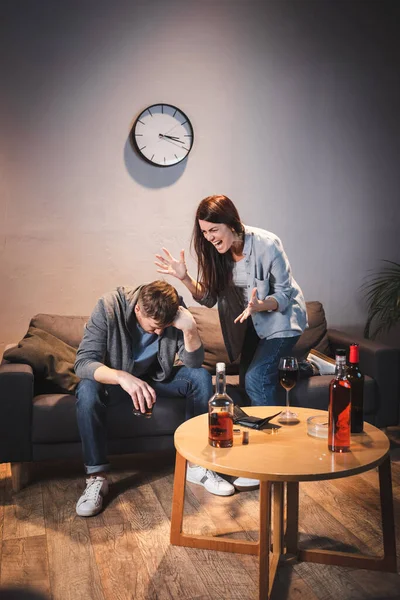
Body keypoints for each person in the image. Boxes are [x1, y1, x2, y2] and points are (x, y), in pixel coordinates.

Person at [155, 195, 307, 490]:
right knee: (254, 383)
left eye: (214, 230)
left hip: (282, 320)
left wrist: (260, 307)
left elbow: (286, 294)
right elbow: (209, 297)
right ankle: (302, 368)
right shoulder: (217, 255)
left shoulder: (266, 243)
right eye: (204, 233)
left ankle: (271, 464)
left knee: (257, 380)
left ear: (231, 223)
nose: (209, 238)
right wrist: (185, 278)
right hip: (251, 326)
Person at [74, 280, 235, 517]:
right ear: (138, 309)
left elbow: (193, 362)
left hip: (156, 378)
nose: (160, 332)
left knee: (199, 377)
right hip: (117, 381)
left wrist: (189, 328)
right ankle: (97, 477)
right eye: (153, 328)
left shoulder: (174, 309)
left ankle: (196, 464)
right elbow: (83, 363)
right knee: (87, 390)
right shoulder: (109, 306)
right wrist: (122, 377)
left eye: (165, 326)